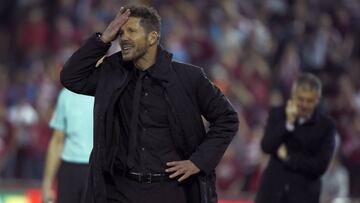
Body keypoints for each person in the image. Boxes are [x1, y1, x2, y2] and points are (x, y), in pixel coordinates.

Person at [60, 4, 239, 203]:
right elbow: (71, 77)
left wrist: (199, 161)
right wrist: (103, 39)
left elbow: (227, 118)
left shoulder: (189, 78)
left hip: (171, 191)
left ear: (152, 37)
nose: (124, 37)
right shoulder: (112, 72)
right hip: (119, 191)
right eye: (121, 32)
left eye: (131, 31)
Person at [255, 73, 336, 203]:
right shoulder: (278, 114)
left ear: (317, 99)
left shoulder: (326, 127)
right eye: (300, 99)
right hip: (271, 194)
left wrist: (289, 158)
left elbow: (320, 166)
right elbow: (266, 146)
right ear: (293, 96)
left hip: (303, 196)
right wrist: (288, 124)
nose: (304, 104)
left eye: (309, 100)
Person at [41, 88, 94, 203]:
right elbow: (57, 141)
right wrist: (47, 183)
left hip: (95, 169)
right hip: (71, 169)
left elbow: (57, 141)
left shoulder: (108, 90)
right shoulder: (66, 95)